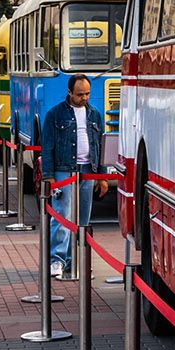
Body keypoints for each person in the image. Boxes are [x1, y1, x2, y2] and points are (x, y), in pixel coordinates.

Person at [39, 75, 107, 278]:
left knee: (83, 219)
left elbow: (99, 146)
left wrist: (101, 176)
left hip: (88, 170)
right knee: (62, 216)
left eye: (87, 93)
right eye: (80, 94)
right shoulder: (55, 114)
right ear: (69, 92)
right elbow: (47, 147)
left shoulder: (94, 114)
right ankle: (57, 260)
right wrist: (49, 176)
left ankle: (76, 259)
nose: (84, 98)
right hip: (64, 170)